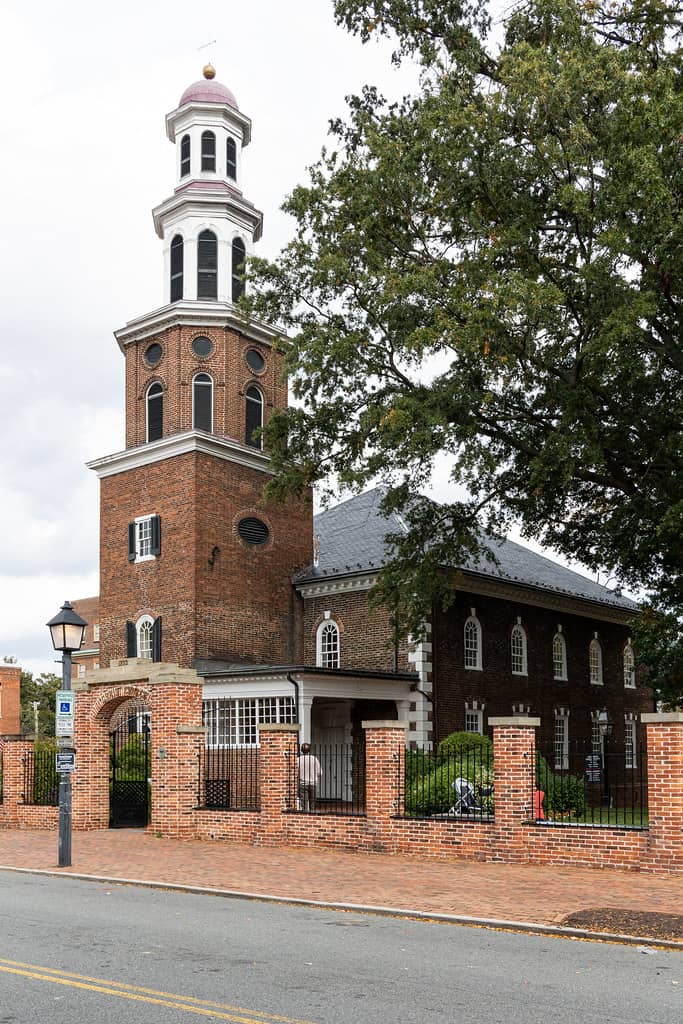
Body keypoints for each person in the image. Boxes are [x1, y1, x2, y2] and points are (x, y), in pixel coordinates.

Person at [297, 742, 322, 811]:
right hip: (313, 783)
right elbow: (319, 772)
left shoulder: (298, 760)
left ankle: (304, 816)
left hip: (302, 783)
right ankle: (312, 816)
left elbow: (296, 773)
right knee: (312, 804)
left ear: (301, 750)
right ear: (309, 750)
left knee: (304, 804)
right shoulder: (314, 759)